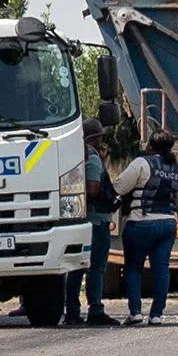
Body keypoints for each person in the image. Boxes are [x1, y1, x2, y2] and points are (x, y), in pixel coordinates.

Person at [114, 130, 178, 326]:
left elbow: (120, 187)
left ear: (149, 146)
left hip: (140, 222)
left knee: (133, 268)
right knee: (161, 269)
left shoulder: (141, 163)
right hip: (167, 224)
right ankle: (156, 315)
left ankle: (135, 312)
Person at [64, 119, 120, 327]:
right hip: (97, 222)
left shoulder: (76, 156)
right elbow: (93, 189)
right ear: (94, 137)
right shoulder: (93, 159)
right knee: (96, 268)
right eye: (100, 136)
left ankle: (72, 311)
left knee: (76, 268)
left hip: (82, 220)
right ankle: (95, 309)